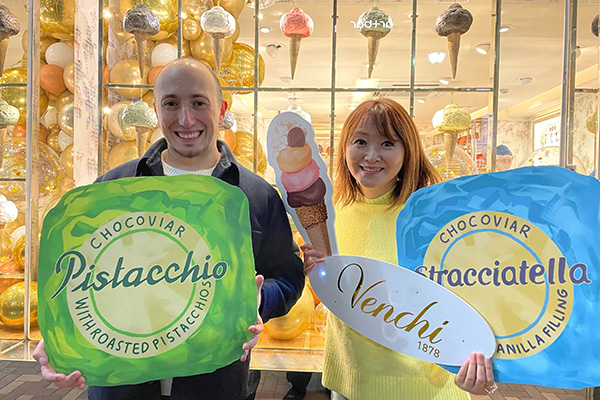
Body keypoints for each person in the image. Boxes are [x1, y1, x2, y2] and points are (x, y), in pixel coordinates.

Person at [33, 58, 305, 400]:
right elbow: (80, 280)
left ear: (221, 110)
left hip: (214, 385)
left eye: (199, 103)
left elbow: (288, 276)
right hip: (123, 387)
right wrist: (60, 338)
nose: (186, 119)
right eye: (171, 104)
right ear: (156, 110)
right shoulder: (114, 189)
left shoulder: (255, 196)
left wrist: (257, 300)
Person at [302, 98, 496, 400]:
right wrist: (315, 271)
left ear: (408, 151)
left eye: (388, 143)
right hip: (350, 382)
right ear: (345, 148)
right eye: (360, 142)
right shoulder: (330, 214)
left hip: (425, 389)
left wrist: (477, 365)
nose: (371, 155)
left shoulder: (435, 219)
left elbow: (473, 299)